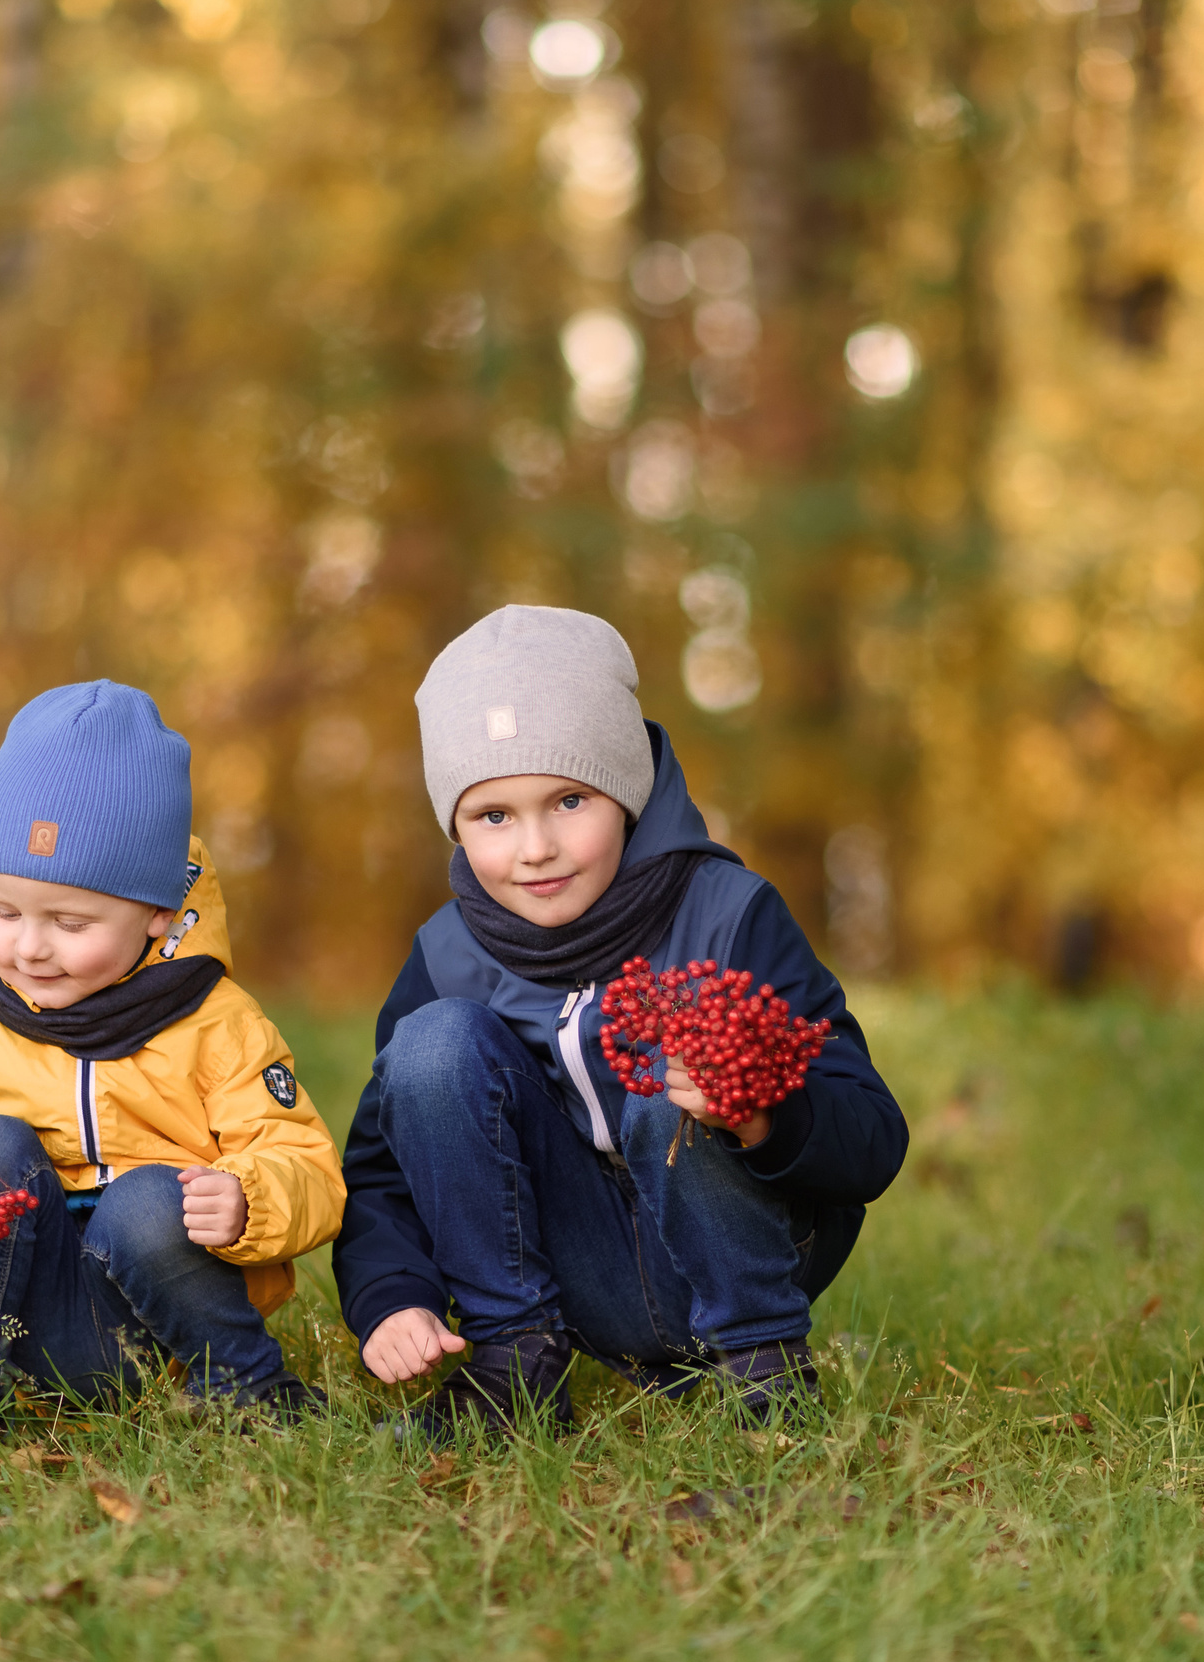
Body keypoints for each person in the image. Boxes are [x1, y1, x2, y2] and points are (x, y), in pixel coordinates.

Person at [332, 606, 908, 1435]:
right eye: (493, 816)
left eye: (570, 799)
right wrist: (393, 1295)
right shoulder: (446, 953)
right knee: (432, 1046)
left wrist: (766, 1112)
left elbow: (873, 1135)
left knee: (681, 1061)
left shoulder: (727, 914)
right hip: (579, 1265)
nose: (535, 847)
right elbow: (384, 1167)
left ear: (627, 789)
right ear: (454, 826)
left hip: (742, 1245)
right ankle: (514, 1368)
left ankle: (764, 1375)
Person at [0, 681, 345, 1420]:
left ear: (156, 914)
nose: (30, 946)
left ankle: (244, 1384)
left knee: (148, 1201)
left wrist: (250, 1197)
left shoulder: (217, 1022)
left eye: (70, 921)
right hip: (33, 1311)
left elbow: (306, 1163)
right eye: (3, 910)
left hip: (162, 1323)